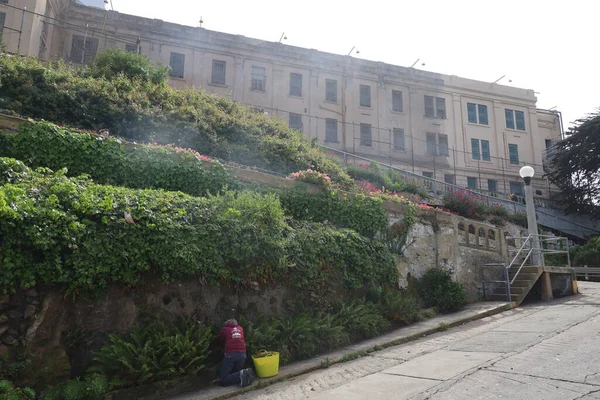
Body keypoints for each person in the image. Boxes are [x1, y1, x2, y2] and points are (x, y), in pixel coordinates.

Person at [216, 318, 255, 387]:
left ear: (227, 324)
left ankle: (241, 374)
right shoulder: (240, 328)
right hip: (242, 354)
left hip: (230, 354)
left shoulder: (225, 329)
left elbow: (219, 339)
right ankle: (244, 373)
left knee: (224, 380)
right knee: (235, 374)